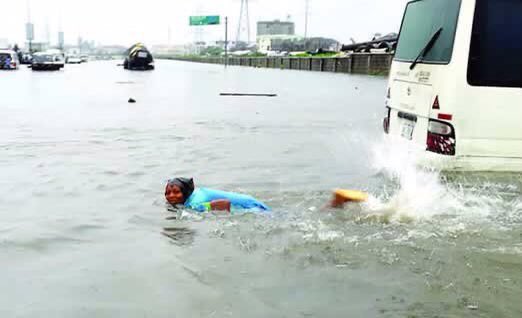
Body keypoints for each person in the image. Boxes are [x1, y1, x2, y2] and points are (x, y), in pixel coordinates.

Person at [165, 177, 270, 213]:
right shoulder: (194, 193)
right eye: (168, 193)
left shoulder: (195, 204)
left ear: (185, 192)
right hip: (249, 200)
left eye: (176, 192)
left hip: (254, 208)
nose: (171, 196)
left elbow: (225, 203)